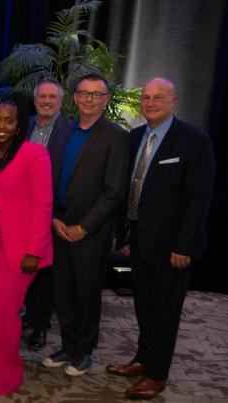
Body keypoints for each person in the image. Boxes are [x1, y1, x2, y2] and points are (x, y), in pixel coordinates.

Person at [106, 78, 215, 400]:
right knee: (144, 306)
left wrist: (184, 245)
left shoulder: (194, 141)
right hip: (140, 241)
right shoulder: (136, 137)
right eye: (146, 98)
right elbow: (130, 192)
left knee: (166, 311)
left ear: (173, 100)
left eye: (158, 98)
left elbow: (199, 199)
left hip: (173, 248)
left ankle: (156, 374)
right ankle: (143, 358)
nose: (150, 103)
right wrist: (126, 236)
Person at [42, 73, 129, 376]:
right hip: (59, 224)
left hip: (90, 233)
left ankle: (84, 351)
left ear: (105, 100)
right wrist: (53, 218)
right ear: (75, 97)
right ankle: (68, 346)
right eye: (84, 93)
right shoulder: (63, 130)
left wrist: (84, 227)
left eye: (97, 94)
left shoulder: (116, 136)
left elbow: (114, 192)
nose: (90, 99)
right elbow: (48, 180)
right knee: (63, 291)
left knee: (86, 293)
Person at [0, 99, 53, 396]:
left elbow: (43, 205)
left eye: (9, 121)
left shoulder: (35, 154)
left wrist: (35, 250)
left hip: (20, 243)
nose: (1, 126)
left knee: (3, 309)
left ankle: (9, 374)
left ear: (20, 125)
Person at [22, 77, 74, 351]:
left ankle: (39, 325)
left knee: (44, 273)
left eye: (52, 97)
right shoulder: (24, 126)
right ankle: (22, 316)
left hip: (50, 212)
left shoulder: (70, 131)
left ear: (61, 101)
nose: (46, 101)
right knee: (21, 266)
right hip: (20, 211)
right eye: (42, 97)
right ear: (34, 100)